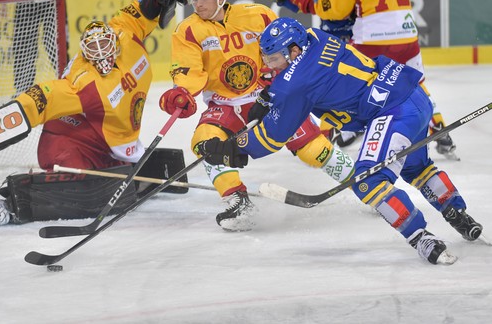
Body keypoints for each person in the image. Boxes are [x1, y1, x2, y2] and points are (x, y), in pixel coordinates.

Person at [197, 17, 484, 264]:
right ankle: (457, 213)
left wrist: (231, 149)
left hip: (392, 110)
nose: (268, 65)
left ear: (294, 50)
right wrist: (269, 95)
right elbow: (307, 74)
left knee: (366, 181)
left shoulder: (295, 84)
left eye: (273, 59)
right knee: (416, 168)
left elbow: (272, 137)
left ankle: (421, 237)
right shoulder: (313, 35)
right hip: (412, 95)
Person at [0, 0, 189, 225]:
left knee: (118, 181)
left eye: (105, 45)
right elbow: (47, 96)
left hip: (107, 140)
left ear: (115, 41)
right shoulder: (84, 81)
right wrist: (11, 116)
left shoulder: (126, 35)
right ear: (84, 53)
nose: (102, 55)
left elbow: (137, 15)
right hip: (69, 141)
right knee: (79, 184)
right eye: (94, 51)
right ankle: (11, 202)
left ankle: (116, 168)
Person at [158, 0, 355, 232]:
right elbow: (188, 70)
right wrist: (182, 91)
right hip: (225, 104)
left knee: (312, 149)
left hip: (269, 96)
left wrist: (280, 78)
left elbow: (284, 51)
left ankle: (365, 179)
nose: (199, 4)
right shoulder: (189, 30)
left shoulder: (257, 14)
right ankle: (238, 201)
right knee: (206, 142)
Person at [281, 0, 459, 159]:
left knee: (345, 82)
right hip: (406, 34)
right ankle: (440, 129)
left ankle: (328, 136)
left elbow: (334, 10)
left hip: (373, 39)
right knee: (416, 83)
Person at [263, 0, 360, 147]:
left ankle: (430, 120)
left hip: (363, 31)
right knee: (326, 86)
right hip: (333, 34)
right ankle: (338, 128)